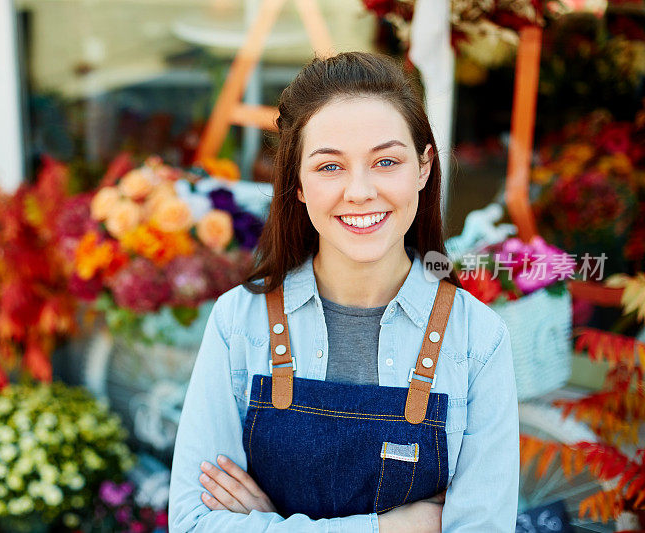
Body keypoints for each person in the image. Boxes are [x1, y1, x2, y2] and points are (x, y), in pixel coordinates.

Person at [168, 51, 519, 532]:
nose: (360, 191)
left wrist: (269, 523)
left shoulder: (478, 340)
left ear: (423, 168)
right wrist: (394, 527)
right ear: (298, 184)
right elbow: (191, 525)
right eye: (330, 167)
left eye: (386, 161)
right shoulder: (239, 323)